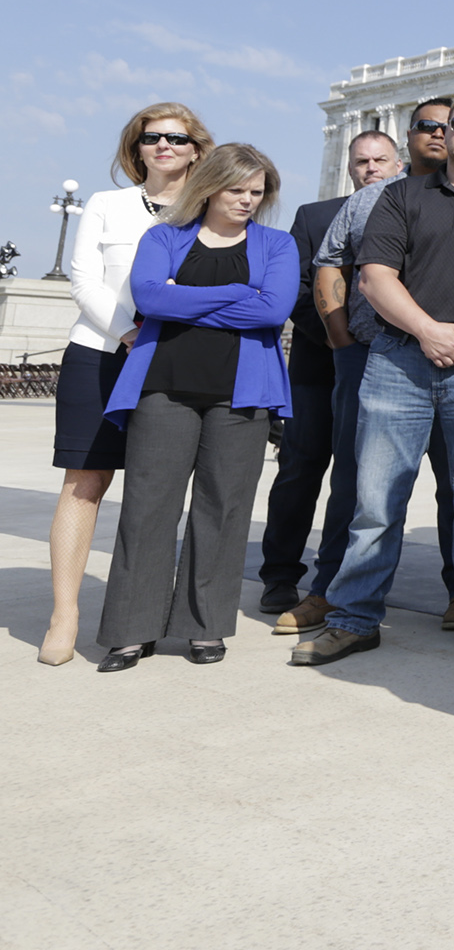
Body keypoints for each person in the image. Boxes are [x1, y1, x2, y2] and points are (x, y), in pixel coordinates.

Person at [291, 94, 454, 667]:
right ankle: (354, 618)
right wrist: (429, 331)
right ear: (444, 134)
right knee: (376, 499)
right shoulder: (401, 195)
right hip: (397, 361)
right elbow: (376, 278)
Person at [95, 144, 296, 670]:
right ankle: (130, 631)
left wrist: (186, 296)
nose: (248, 200)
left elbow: (273, 309)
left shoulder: (277, 245)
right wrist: (237, 293)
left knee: (224, 509)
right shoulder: (164, 235)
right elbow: (150, 298)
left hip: (242, 395)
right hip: (163, 388)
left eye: (257, 192)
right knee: (147, 508)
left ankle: (203, 627)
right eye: (237, 190)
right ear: (209, 186)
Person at [42, 104, 211, 666]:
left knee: (158, 490)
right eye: (151, 138)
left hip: (177, 364)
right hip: (101, 354)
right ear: (136, 148)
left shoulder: (211, 210)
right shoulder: (105, 204)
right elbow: (83, 277)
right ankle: (65, 614)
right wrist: (127, 334)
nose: (164, 146)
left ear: (196, 148)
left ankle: (145, 614)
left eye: (176, 138)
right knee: (84, 482)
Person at [286, 108, 454, 638]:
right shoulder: (369, 199)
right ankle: (330, 587)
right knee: (355, 478)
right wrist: (342, 343)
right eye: (427, 125)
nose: (440, 132)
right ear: (409, 139)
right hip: (369, 355)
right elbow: (329, 265)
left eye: (449, 125)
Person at [255, 136, 395, 615]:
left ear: (396, 163)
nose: (370, 168)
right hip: (319, 366)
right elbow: (295, 289)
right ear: (349, 167)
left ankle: (340, 577)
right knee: (300, 468)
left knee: (361, 479)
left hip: (388, 366)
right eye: (361, 161)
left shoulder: (409, 207)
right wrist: (340, 339)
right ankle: (279, 574)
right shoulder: (315, 216)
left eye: (380, 160)